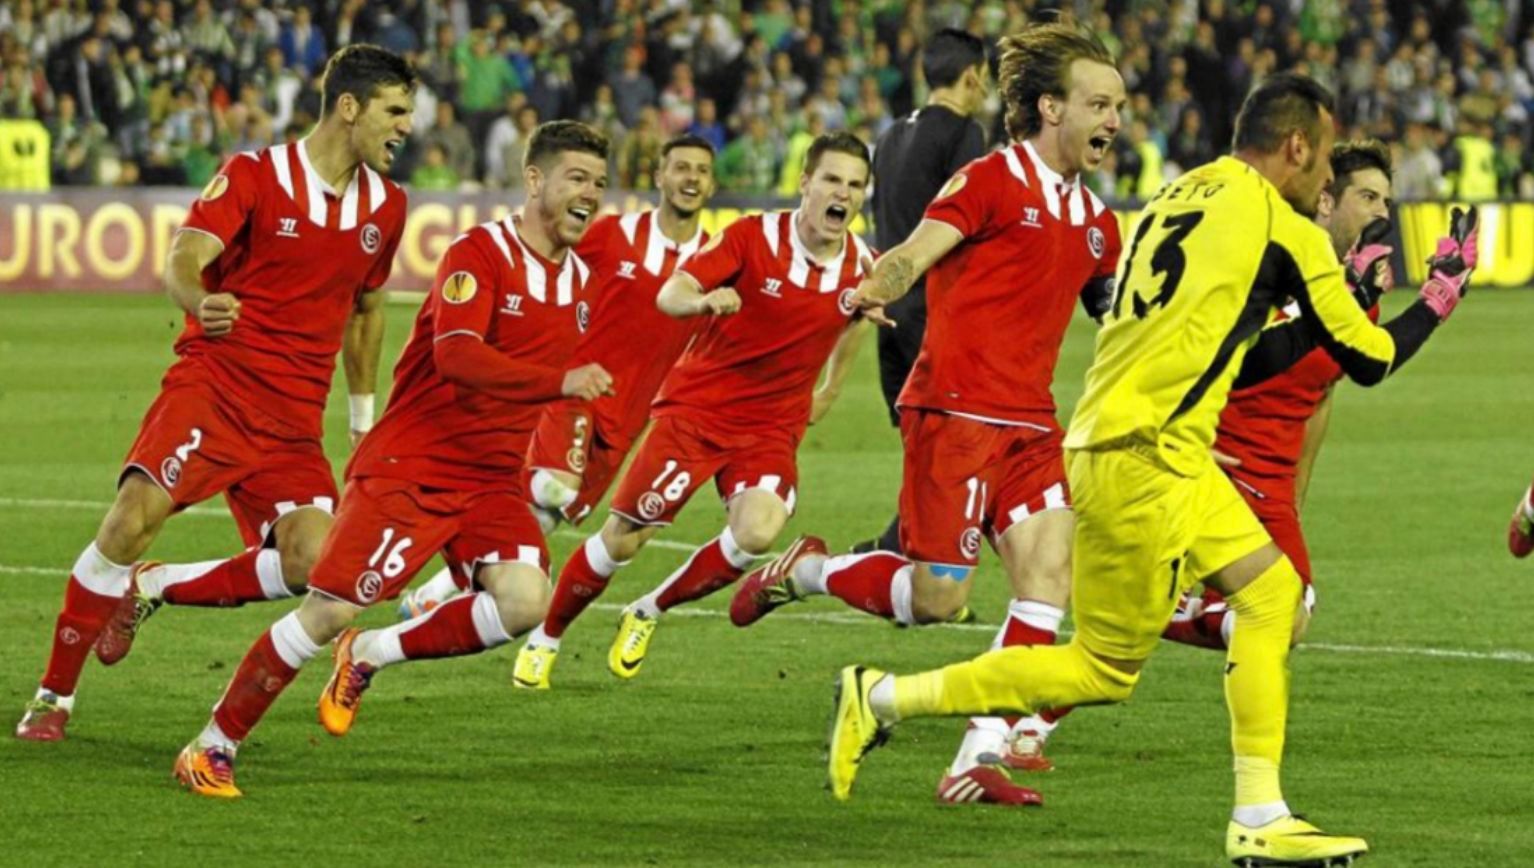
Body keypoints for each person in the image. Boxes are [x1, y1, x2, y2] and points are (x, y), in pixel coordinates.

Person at [825, 72, 1479, 866]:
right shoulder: (1288, 227)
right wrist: (1439, 297)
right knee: (1101, 668)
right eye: (1328, 160)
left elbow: (1248, 358)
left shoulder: (1180, 195)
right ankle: (885, 695)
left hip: (1130, 443)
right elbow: (1369, 361)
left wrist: (1316, 314)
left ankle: (1261, 814)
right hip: (1149, 459)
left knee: (1274, 596)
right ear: (1299, 146)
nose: (1329, 180)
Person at [730, 24, 1124, 806]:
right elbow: (914, 252)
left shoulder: (1098, 223)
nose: (1114, 121)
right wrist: (868, 289)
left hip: (1031, 423)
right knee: (940, 595)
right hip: (952, 408)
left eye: (1118, 106)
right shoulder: (987, 181)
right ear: (1051, 107)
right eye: (1100, 104)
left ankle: (976, 756)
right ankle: (807, 570)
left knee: (1048, 582)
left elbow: (1114, 310)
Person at [172, 121, 614, 798]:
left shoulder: (582, 282)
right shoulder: (480, 253)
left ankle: (373, 654)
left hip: (491, 481)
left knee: (525, 604)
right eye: (577, 178)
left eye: (600, 184)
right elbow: (457, 355)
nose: (592, 194)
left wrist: (572, 449)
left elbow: (574, 386)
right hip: (412, 467)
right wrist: (560, 384)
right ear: (535, 180)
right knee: (329, 610)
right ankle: (212, 745)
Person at [15, 44, 416, 742]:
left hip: (291, 422)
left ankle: (153, 586)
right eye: (395, 111)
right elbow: (183, 258)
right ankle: (54, 695)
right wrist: (201, 302)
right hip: (217, 387)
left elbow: (368, 308)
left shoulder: (388, 205)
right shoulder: (256, 175)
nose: (406, 126)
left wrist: (360, 419)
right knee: (132, 517)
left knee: (316, 564)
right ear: (348, 108)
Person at [535, 132, 875, 685]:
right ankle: (547, 636)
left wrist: (829, 392)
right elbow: (671, 292)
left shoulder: (863, 262)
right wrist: (702, 300)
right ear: (805, 184)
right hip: (697, 412)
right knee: (624, 537)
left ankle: (648, 609)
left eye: (856, 184)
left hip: (770, 428)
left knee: (758, 532)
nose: (844, 193)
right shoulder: (751, 236)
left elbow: (861, 313)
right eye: (833, 179)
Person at [395, 135, 716, 636]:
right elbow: (540, 250)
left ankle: (434, 593)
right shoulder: (611, 234)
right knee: (552, 486)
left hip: (629, 411)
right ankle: (470, 526)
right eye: (680, 168)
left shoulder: (712, 262)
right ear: (659, 176)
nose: (691, 179)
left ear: (712, 184)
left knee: (558, 511)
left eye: (701, 171)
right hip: (573, 389)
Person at [1163, 139, 1397, 653]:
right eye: (1368, 197)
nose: (1382, 213)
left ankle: (1164, 613)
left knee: (1292, 613)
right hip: (1204, 464)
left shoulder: (1353, 295)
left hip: (1265, 481)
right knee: (1272, 613)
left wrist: (1294, 500)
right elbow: (1195, 350)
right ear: (1328, 200)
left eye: (1386, 201)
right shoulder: (1269, 260)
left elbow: (1318, 397)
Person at [853, 28, 988, 556]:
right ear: (974, 76)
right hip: (934, 309)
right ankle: (904, 545)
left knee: (921, 437)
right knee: (957, 434)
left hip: (892, 311)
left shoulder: (888, 137)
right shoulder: (964, 134)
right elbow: (964, 223)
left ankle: (896, 542)